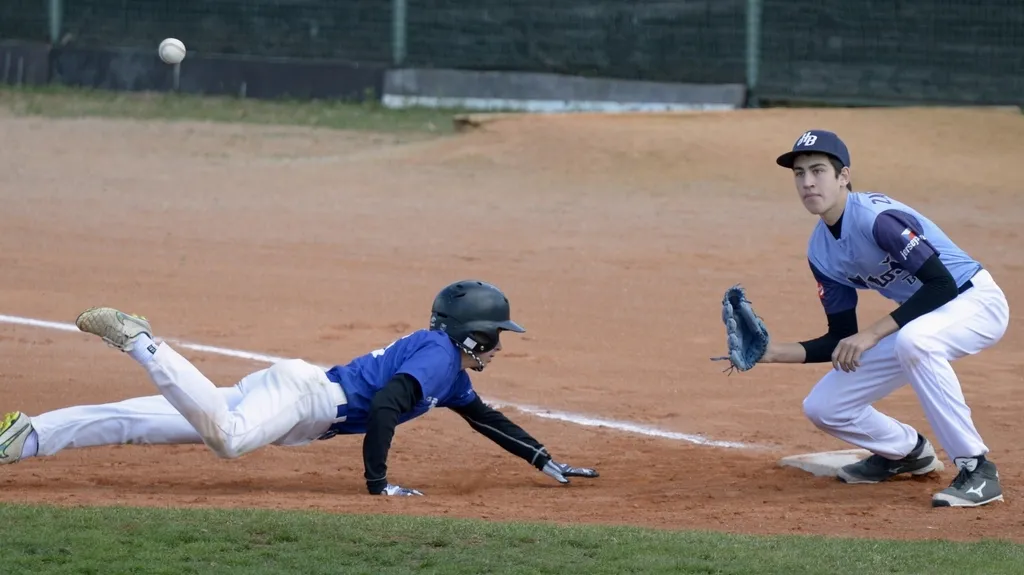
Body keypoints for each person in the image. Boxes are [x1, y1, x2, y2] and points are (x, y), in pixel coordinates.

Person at [0, 280, 599, 496]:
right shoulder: (440, 362)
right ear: (471, 336)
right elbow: (389, 406)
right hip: (305, 400)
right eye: (494, 333)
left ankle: (28, 437)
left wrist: (543, 459)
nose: (499, 343)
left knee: (137, 421)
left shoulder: (440, 358)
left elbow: (486, 419)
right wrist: (378, 483)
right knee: (230, 441)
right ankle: (141, 342)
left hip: (296, 394)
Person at [760, 130, 1009, 508]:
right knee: (825, 406)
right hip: (921, 320)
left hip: (974, 301)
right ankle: (906, 452)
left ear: (843, 176)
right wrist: (771, 352)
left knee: (916, 341)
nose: (808, 182)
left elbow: (941, 284)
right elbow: (841, 338)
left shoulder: (876, 218)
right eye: (799, 174)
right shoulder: (820, 251)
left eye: (818, 170)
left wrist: (873, 333)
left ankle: (978, 470)